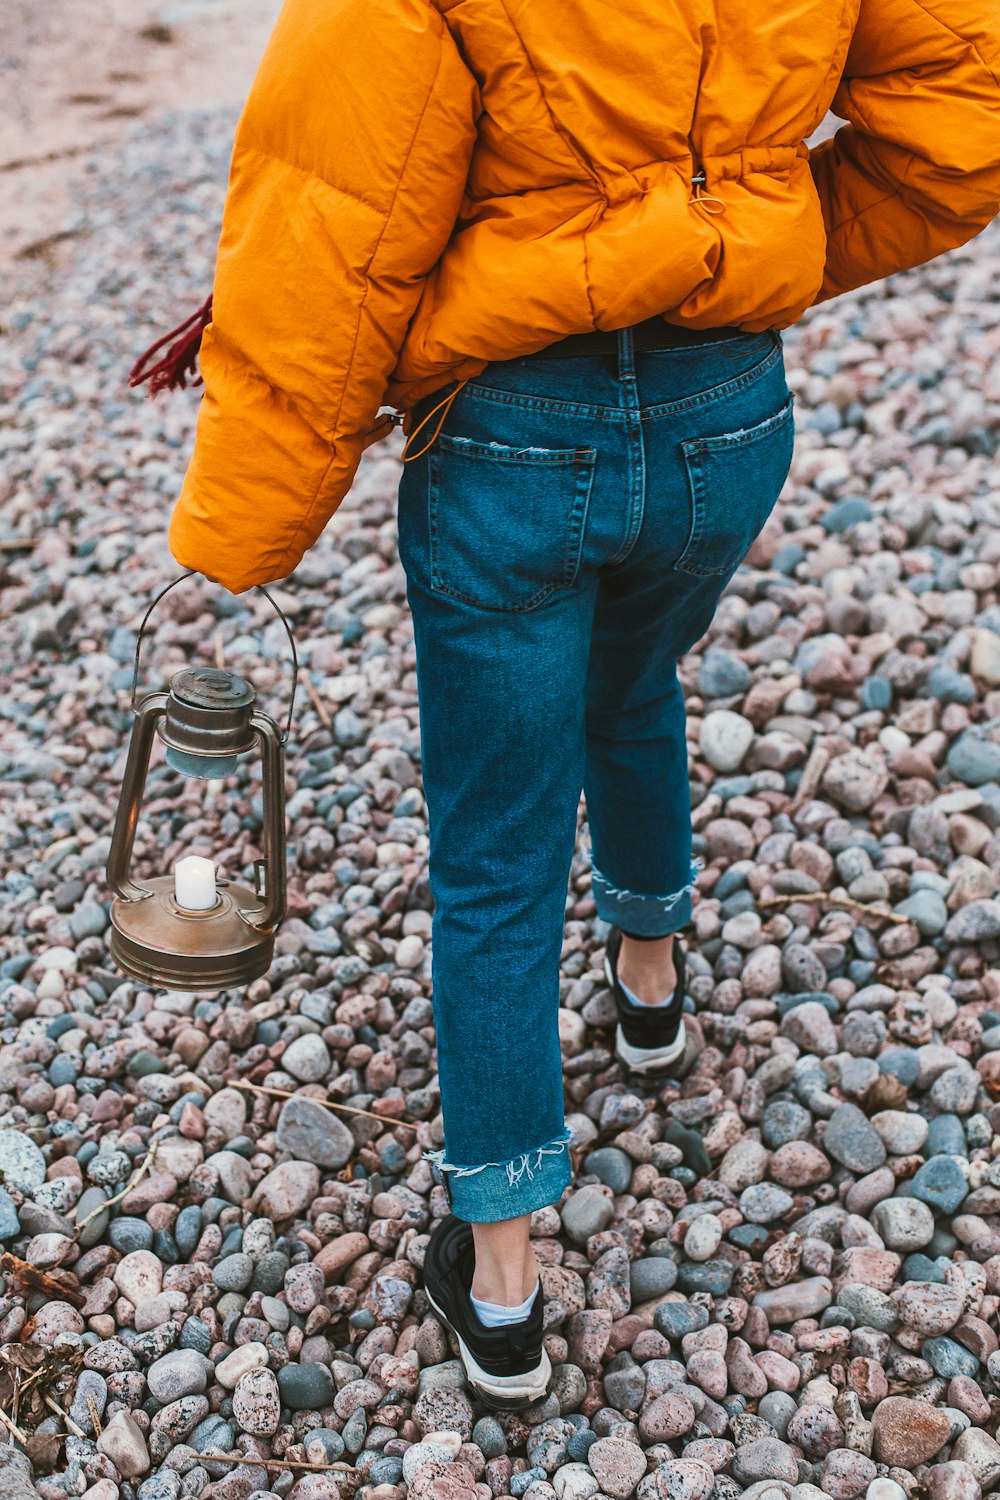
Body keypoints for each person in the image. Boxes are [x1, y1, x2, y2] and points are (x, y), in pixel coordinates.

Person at [143, 0, 1000, 1409]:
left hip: (517, 435)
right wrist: (747, 244)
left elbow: (340, 215)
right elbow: (958, 126)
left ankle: (503, 1294)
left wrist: (243, 523)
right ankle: (650, 992)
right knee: (638, 680)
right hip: (731, 412)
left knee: (496, 848)